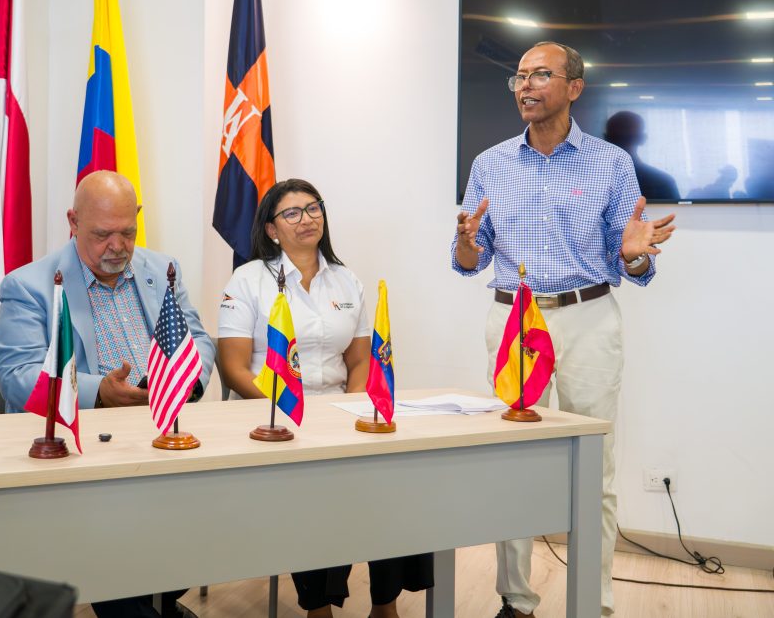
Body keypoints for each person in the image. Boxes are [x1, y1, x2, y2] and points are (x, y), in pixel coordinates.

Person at [451, 42, 676, 618]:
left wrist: (633, 256)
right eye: (519, 77)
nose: (525, 86)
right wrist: (466, 243)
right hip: (515, 319)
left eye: (540, 75)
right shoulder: (490, 162)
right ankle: (516, 599)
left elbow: (633, 257)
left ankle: (592, 605)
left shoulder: (610, 163)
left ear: (574, 87)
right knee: (512, 459)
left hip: (587, 317)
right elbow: (470, 259)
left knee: (594, 467)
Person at [0, 170, 215, 618]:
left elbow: (198, 340)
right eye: (102, 235)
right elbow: (16, 376)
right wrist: (98, 392)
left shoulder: (161, 270)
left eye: (127, 232)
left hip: (160, 433)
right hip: (84, 448)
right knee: (118, 543)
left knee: (208, 520)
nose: (117, 246)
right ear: (73, 222)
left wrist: (185, 381)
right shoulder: (30, 285)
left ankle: (158, 601)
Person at [218, 179, 433, 618]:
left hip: (337, 413)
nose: (307, 219)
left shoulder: (345, 279)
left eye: (313, 208)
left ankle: (385, 606)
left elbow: (361, 361)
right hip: (272, 418)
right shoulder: (248, 280)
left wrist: (347, 410)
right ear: (272, 229)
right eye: (292, 213)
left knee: (397, 481)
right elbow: (234, 368)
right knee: (315, 490)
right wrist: (288, 412)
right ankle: (319, 609)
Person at [603, 110, 680, 201]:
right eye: (617, 138)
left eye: (628, 138)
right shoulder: (663, 181)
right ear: (642, 139)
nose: (622, 145)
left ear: (605, 139)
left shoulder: (664, 182)